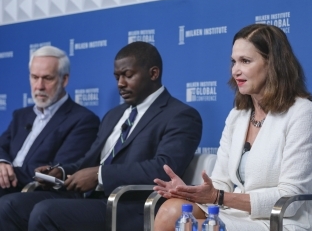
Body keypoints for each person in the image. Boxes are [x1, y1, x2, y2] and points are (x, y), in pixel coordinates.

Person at [0, 41, 203, 231]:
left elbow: (163, 168)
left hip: (129, 204)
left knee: (45, 212)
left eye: (127, 75)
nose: (120, 84)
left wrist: (100, 175)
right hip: (91, 199)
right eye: (117, 77)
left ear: (153, 73)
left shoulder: (181, 115)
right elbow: (88, 161)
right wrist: (61, 172)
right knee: (9, 205)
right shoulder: (114, 115)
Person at [153, 24, 312, 231]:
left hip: (282, 220)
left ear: (273, 64)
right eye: (234, 61)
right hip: (237, 214)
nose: (235, 70)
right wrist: (191, 192)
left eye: (245, 61)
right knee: (171, 210)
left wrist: (219, 197)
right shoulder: (238, 115)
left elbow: (291, 200)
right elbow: (220, 183)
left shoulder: (302, 112)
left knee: (197, 228)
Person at [0, 45, 100, 196]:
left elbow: (56, 171)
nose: (39, 86)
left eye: (47, 78)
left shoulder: (83, 120)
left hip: (36, 194)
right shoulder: (21, 115)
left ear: (64, 79)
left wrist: (6, 174)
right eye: (34, 77)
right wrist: (3, 163)